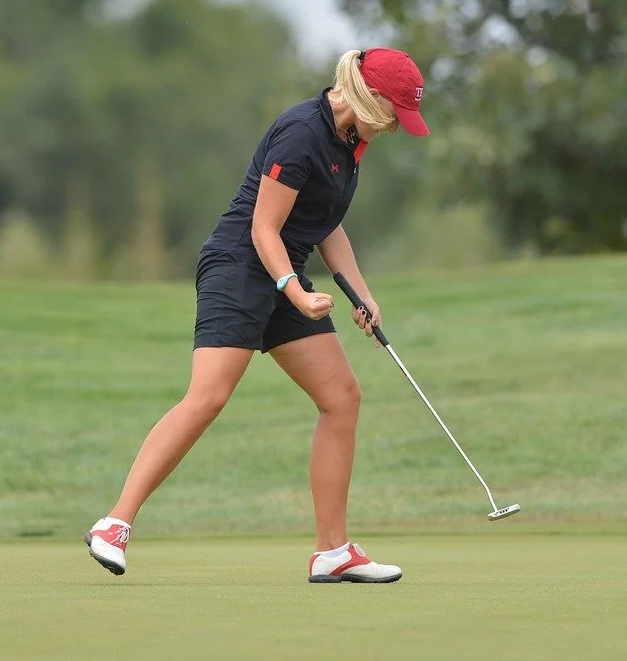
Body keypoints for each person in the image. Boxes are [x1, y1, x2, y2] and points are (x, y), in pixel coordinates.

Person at [85, 47, 430, 584]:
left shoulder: (351, 141)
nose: (391, 129)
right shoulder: (300, 134)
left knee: (341, 397)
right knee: (209, 396)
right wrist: (295, 293)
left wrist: (361, 292)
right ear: (371, 97)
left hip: (282, 269)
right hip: (238, 265)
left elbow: (325, 223)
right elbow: (262, 229)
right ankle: (114, 524)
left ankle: (332, 551)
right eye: (393, 115)